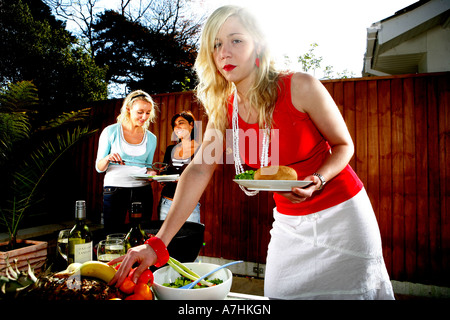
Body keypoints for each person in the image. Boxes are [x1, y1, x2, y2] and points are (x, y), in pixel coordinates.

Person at [109, 5, 395, 300]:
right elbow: (199, 169)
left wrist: (318, 179)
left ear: (258, 43)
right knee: (279, 293)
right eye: (216, 45)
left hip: (343, 215)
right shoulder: (224, 109)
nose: (224, 53)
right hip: (289, 222)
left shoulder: (300, 85)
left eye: (236, 40)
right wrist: (158, 244)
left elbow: (344, 145)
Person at [95, 90, 158, 235]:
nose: (144, 117)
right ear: (128, 109)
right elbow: (99, 167)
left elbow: (148, 167)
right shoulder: (110, 132)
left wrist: (151, 174)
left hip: (142, 191)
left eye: (148, 113)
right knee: (112, 234)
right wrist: (108, 158)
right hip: (115, 190)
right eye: (140, 112)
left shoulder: (151, 138)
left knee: (141, 234)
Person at [157, 111, 201, 223]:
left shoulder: (201, 149)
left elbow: (201, 176)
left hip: (189, 204)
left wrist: (183, 179)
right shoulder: (170, 149)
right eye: (175, 125)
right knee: (165, 240)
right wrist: (161, 176)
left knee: (189, 240)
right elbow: (164, 172)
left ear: (191, 124)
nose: (177, 127)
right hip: (166, 202)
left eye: (181, 123)